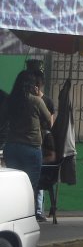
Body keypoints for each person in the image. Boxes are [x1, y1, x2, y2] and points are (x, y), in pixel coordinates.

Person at [0, 70, 52, 222]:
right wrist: (40, 96)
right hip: (31, 148)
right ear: (32, 85)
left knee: (14, 186)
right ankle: (28, 219)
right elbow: (50, 121)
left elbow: (2, 121)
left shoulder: (10, 101)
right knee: (30, 186)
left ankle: (12, 217)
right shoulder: (35, 101)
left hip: (12, 147)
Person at [27, 61, 56, 221]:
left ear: (41, 84)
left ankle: (38, 210)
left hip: (42, 141)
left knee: (37, 177)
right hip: (30, 140)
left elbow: (50, 123)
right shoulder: (25, 99)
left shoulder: (47, 101)